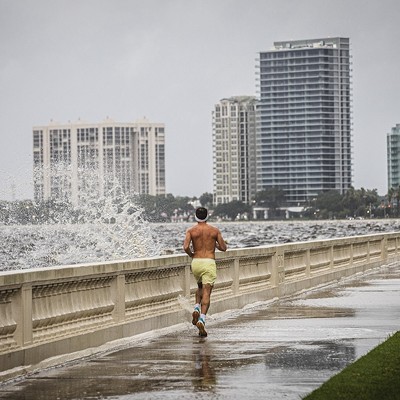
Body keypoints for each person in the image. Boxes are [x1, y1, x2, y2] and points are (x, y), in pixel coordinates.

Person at [183, 207, 227, 337]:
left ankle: (196, 306)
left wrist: (192, 254)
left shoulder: (191, 230)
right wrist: (215, 245)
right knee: (207, 291)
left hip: (196, 262)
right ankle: (202, 318)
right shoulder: (214, 230)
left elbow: (185, 247)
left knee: (200, 287)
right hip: (208, 262)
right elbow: (224, 248)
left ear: (196, 216)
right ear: (207, 216)